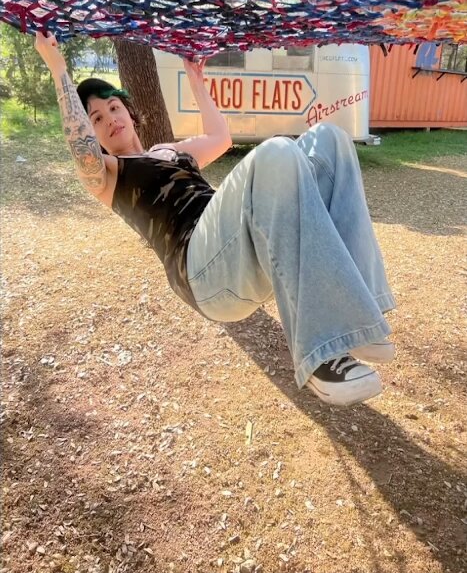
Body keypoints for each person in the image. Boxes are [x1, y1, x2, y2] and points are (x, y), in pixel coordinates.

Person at [35, 31, 396, 407]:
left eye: (113, 107)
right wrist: (59, 70)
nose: (109, 119)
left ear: (129, 111)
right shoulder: (112, 175)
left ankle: (362, 312)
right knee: (276, 152)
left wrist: (196, 81)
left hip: (239, 246)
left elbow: (220, 137)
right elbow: (84, 156)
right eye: (95, 118)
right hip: (202, 270)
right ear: (91, 133)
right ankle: (321, 355)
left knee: (330, 139)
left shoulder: (168, 150)